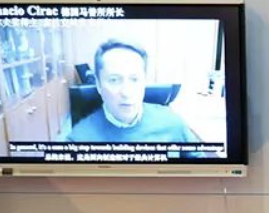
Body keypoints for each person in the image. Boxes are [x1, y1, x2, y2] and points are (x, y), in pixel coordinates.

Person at [66, 40, 199, 143]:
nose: (126, 92)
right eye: (114, 80)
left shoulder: (172, 122)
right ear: (99, 85)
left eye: (134, 79)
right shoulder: (78, 139)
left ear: (144, 81)